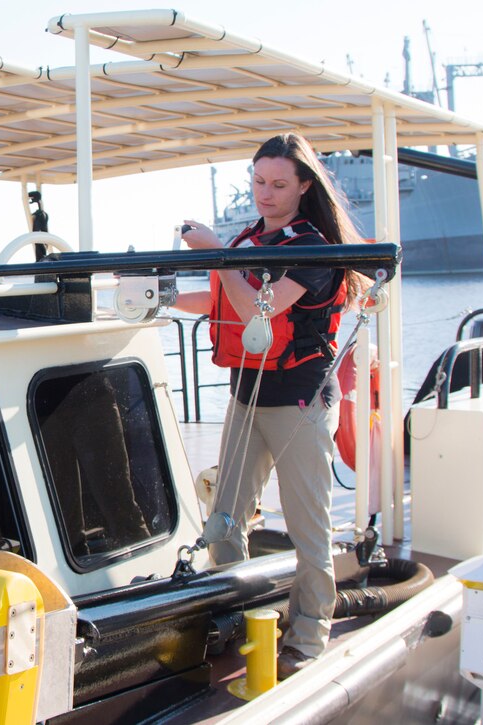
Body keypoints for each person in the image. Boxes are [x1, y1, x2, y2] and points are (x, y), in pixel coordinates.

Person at [174, 132, 366, 679]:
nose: (266, 193)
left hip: (298, 402)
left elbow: (258, 307)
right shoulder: (252, 239)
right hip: (245, 395)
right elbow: (219, 299)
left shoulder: (313, 250)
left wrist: (216, 251)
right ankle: (239, 619)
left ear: (304, 186)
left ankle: (308, 637)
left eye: (280, 184)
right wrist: (154, 299)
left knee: (310, 529)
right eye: (259, 182)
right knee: (225, 520)